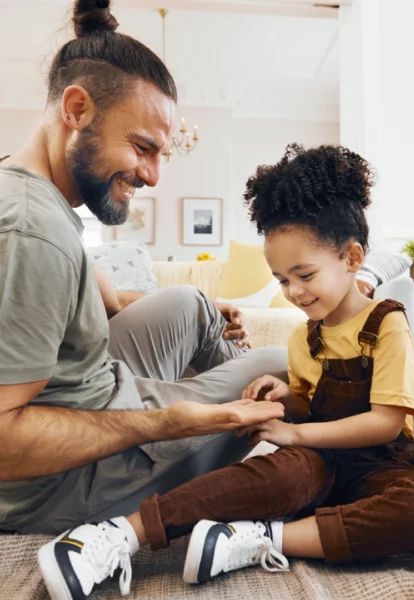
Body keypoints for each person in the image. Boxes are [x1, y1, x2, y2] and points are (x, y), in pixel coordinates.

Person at [37, 143, 414, 599]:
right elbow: (310, 404)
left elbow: (386, 422)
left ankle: (262, 539)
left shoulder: (387, 323)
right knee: (277, 475)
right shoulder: (303, 338)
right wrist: (286, 398)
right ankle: (120, 535)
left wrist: (295, 434)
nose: (293, 292)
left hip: (380, 466)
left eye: (304, 275)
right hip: (319, 465)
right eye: (281, 280)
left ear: (352, 258)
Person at [0, 0, 288, 536]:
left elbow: (100, 300)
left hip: (93, 391)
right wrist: (164, 422)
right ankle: (243, 441)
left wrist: (188, 311)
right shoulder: (30, 231)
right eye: (142, 148)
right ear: (77, 109)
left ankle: (228, 423)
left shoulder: (36, 193)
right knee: (285, 364)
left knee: (193, 304)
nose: (154, 176)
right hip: (61, 480)